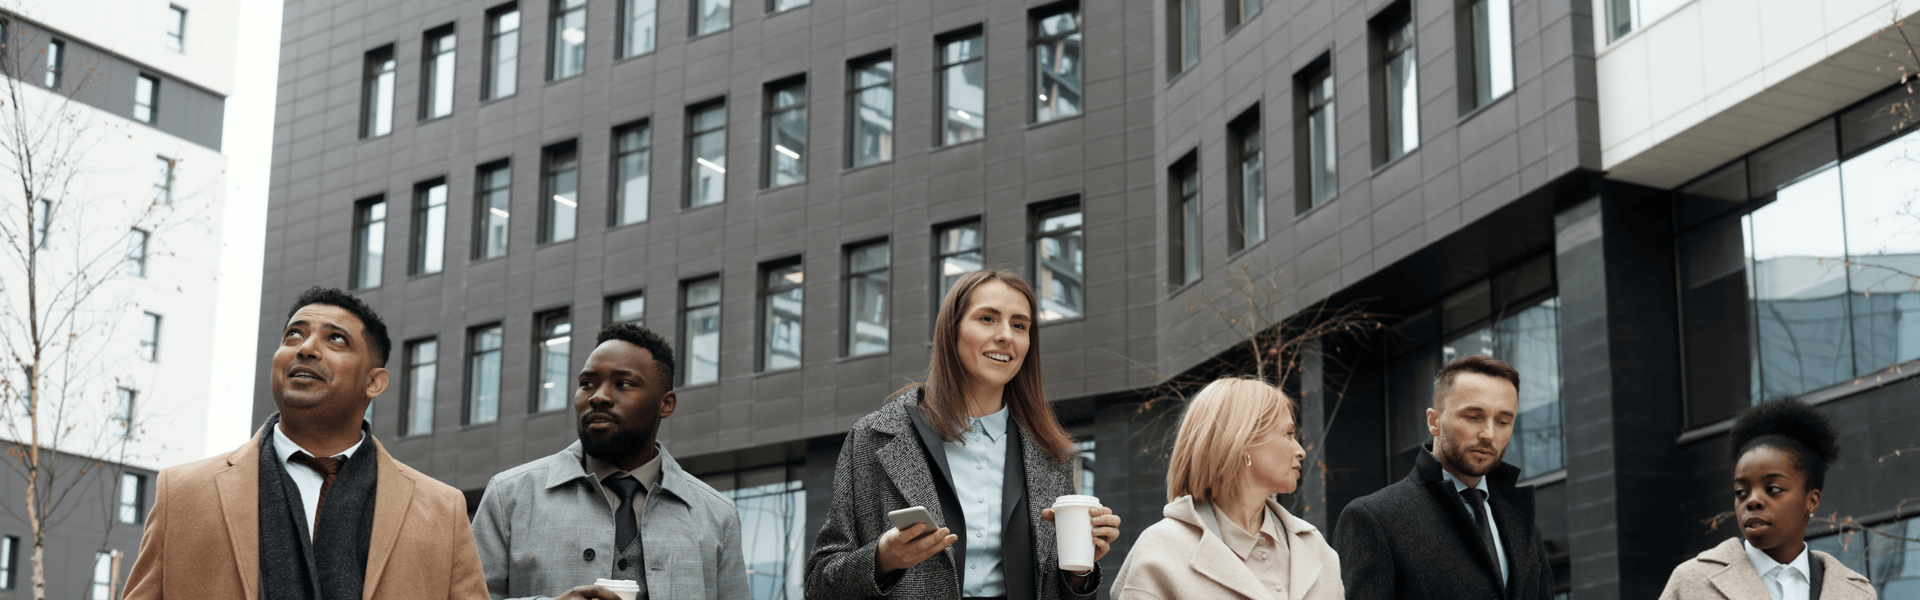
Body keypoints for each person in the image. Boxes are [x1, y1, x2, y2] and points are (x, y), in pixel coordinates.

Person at [123, 286, 488, 599]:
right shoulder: (184, 494)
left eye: (336, 339)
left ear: (374, 382)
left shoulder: (442, 511)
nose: (307, 348)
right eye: (294, 335)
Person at [805, 269, 1121, 599]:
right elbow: (818, 583)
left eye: (1019, 325)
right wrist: (883, 559)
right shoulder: (874, 437)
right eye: (987, 318)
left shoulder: (1049, 452)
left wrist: (1080, 572)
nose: (1005, 336)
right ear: (951, 330)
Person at [472, 322, 747, 600]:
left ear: (666, 404)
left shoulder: (717, 516)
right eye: (586, 384)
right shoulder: (509, 497)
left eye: (623, 384)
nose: (598, 396)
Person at [1332, 355, 1555, 600]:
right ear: (1434, 421)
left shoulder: (1520, 519)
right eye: (1473, 417)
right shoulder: (1373, 518)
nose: (1489, 434)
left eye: (1503, 421)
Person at [1111, 377, 1344, 599]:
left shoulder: (1316, 547)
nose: (1301, 451)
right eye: (1289, 434)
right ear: (1243, 442)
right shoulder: (1160, 551)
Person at [1658, 399, 1875, 600]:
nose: (1752, 501)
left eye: (1773, 488)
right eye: (1741, 492)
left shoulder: (1857, 593)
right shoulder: (1692, 582)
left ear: (1812, 501)